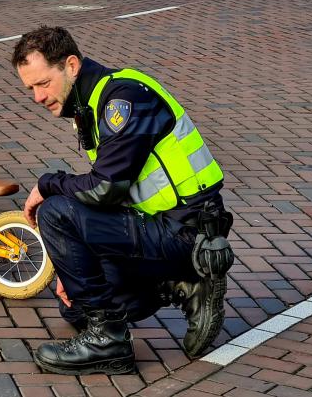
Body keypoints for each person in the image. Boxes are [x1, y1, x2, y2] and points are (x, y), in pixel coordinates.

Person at [12, 26, 235, 375]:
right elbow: (110, 199)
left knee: (55, 211)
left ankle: (108, 342)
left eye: (43, 84)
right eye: (31, 89)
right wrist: (69, 263)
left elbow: (106, 189)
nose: (38, 97)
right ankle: (184, 285)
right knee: (73, 308)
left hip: (187, 231)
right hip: (159, 227)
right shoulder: (90, 104)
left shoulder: (123, 98)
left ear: (71, 66)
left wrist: (47, 183)